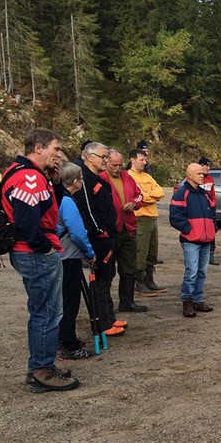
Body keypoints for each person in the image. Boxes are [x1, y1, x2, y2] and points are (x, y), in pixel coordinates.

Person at [1, 128, 80, 392]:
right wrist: (44, 247)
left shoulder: (26, 174)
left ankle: (40, 365)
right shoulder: (30, 178)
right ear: (38, 147)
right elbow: (26, 221)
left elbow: (48, 209)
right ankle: (42, 370)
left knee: (43, 310)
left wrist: (56, 184)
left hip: (30, 250)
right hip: (34, 252)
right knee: (47, 312)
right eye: (56, 149)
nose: (60, 154)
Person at [74, 142, 124, 337]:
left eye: (106, 157)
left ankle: (109, 317)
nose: (106, 160)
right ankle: (103, 322)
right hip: (100, 238)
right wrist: (99, 231)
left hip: (109, 235)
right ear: (89, 157)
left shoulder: (97, 178)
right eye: (103, 157)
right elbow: (87, 210)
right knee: (101, 280)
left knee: (109, 276)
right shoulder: (84, 179)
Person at [57, 161, 96, 360]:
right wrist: (89, 252)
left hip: (58, 256)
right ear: (74, 181)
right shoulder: (68, 202)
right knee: (70, 301)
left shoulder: (55, 198)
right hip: (68, 257)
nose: (82, 182)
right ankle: (69, 345)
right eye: (81, 179)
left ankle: (62, 338)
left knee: (60, 301)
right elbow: (77, 232)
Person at [169, 163, 216, 318]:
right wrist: (189, 230)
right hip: (191, 240)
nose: (202, 175)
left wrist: (212, 228)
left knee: (202, 272)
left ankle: (198, 299)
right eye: (199, 174)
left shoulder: (204, 194)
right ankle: (187, 301)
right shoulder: (181, 193)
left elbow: (212, 214)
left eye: (203, 173)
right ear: (189, 175)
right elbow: (175, 218)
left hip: (205, 240)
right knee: (192, 272)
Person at [103, 149, 146, 313]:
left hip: (128, 228)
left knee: (129, 267)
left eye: (120, 165)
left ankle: (127, 302)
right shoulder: (100, 179)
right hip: (111, 230)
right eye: (114, 165)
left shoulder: (127, 177)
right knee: (108, 270)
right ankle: (106, 305)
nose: (118, 168)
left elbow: (139, 195)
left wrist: (134, 203)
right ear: (106, 162)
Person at [128, 148, 167, 296]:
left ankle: (150, 280)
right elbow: (138, 197)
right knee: (141, 251)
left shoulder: (147, 176)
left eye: (145, 160)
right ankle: (139, 283)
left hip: (152, 217)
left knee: (152, 251)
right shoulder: (129, 177)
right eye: (141, 160)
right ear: (132, 160)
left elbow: (161, 192)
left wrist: (148, 196)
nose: (144, 162)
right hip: (140, 218)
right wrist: (151, 197)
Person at [197, 156, 219, 265]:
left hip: (210, 209)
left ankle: (211, 255)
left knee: (212, 231)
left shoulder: (210, 179)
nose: (208, 168)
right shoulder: (195, 178)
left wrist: (213, 204)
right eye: (207, 166)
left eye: (209, 166)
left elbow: (213, 194)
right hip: (199, 211)